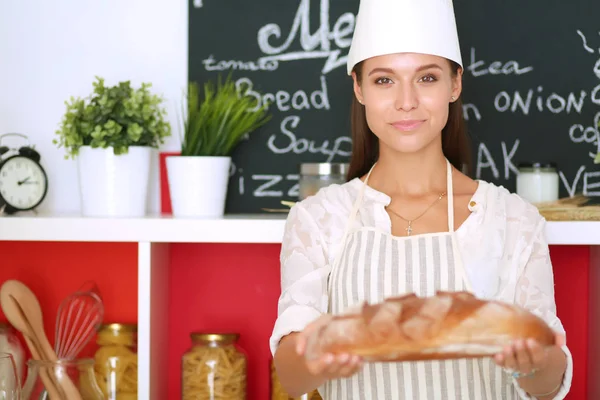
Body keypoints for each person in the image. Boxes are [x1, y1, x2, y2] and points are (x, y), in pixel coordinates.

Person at [269, 0, 573, 398]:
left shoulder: (513, 219)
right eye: (384, 80)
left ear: (455, 84)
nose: (406, 101)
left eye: (427, 78)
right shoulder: (318, 219)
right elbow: (291, 376)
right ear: (359, 88)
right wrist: (314, 360)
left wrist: (534, 363)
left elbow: (549, 382)